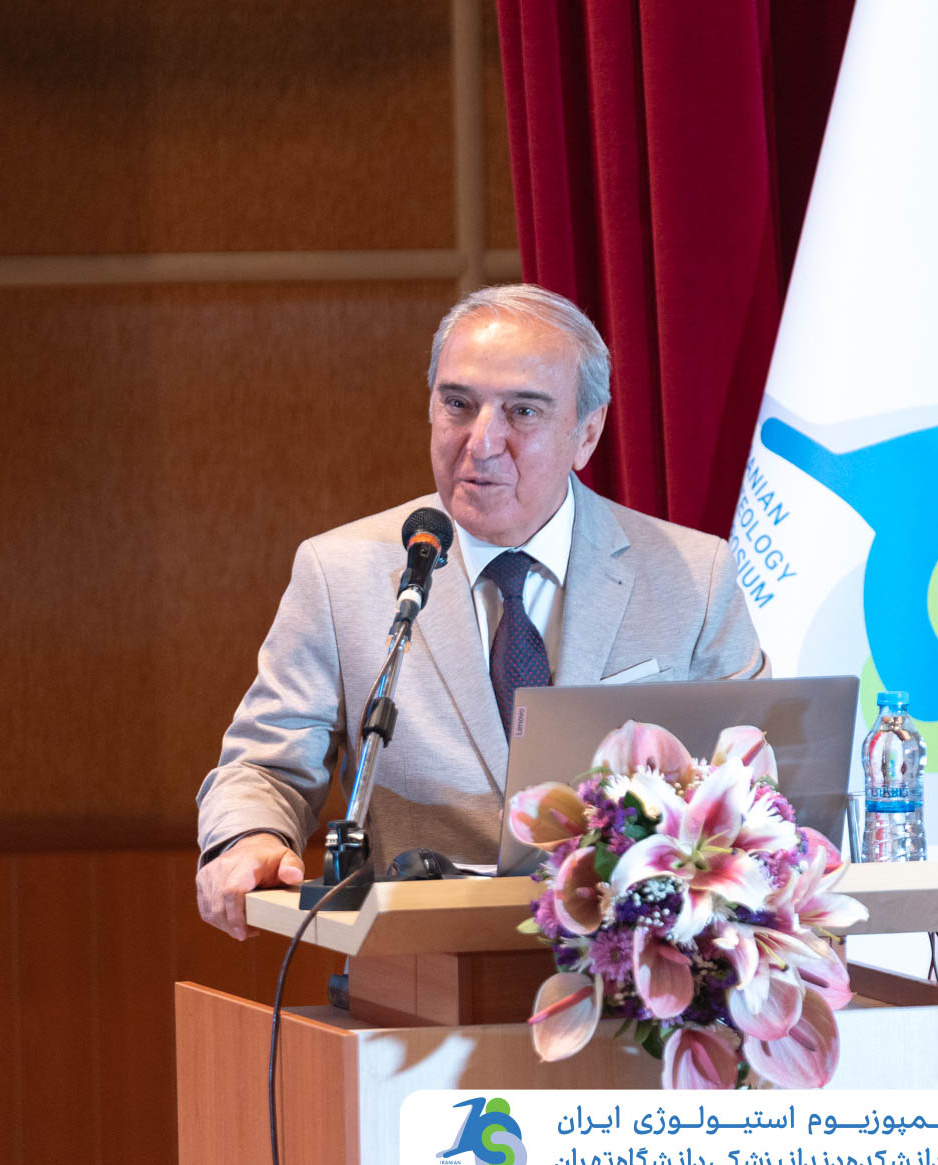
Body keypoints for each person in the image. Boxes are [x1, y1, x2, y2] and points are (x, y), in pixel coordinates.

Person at [195, 284, 767, 939]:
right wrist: (248, 836)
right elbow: (266, 766)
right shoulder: (341, 573)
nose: (482, 441)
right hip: (416, 967)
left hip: (632, 968)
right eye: (458, 404)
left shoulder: (693, 575)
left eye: (523, 411)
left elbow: (757, 785)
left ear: (587, 433)